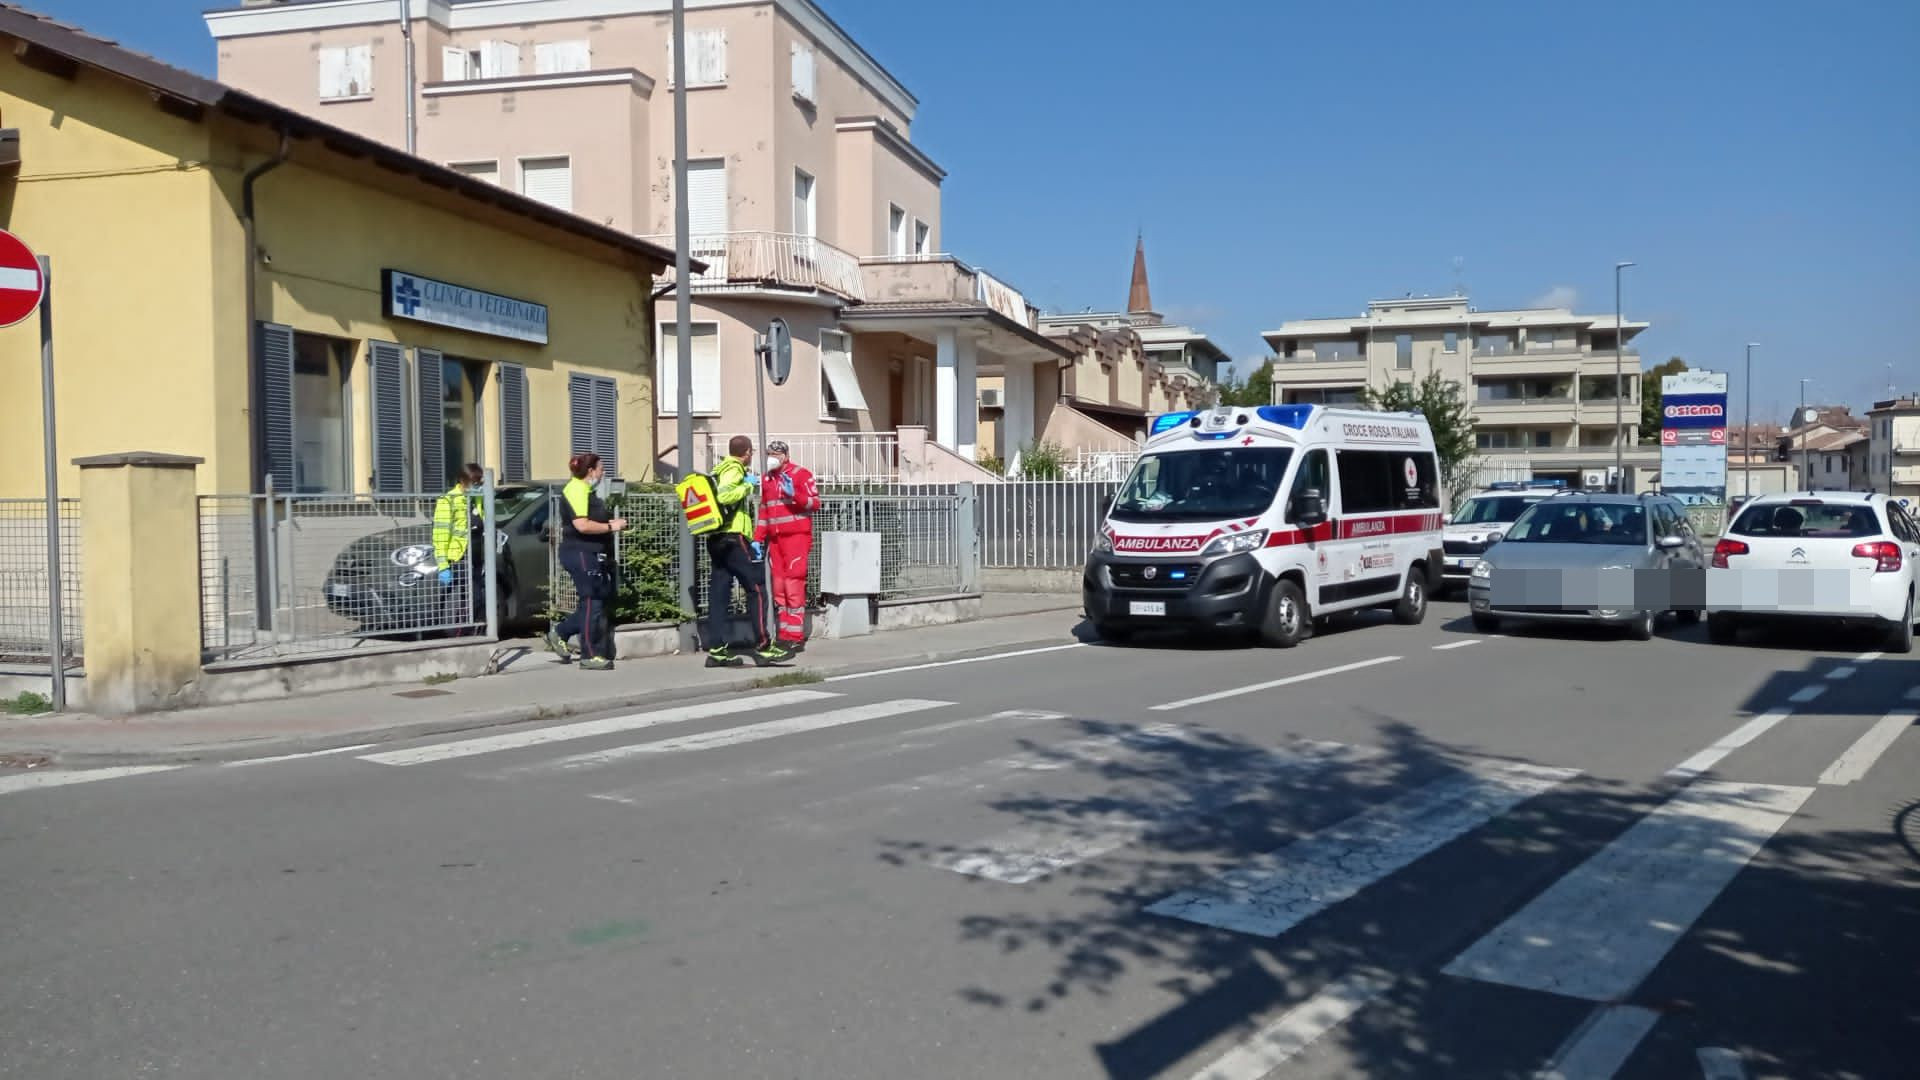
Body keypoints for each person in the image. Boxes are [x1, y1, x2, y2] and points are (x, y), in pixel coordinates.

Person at [705, 435, 790, 668]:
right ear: (747, 453)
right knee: (757, 589)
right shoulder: (734, 468)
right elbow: (724, 494)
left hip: (716, 538)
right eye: (751, 452)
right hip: (733, 539)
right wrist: (746, 485)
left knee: (720, 594)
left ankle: (717, 651)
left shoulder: (718, 468)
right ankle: (763, 647)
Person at [545, 452, 626, 671]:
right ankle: (589, 655)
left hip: (591, 552)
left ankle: (560, 633)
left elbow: (592, 520)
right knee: (592, 601)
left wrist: (611, 522)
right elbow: (582, 525)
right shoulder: (577, 489)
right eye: (601, 468)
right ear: (590, 471)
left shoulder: (587, 491)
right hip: (580, 553)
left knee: (595, 602)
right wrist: (612, 527)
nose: (604, 472)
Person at [755, 440, 821, 652]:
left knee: (793, 585)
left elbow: (815, 504)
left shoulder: (801, 474)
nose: (772, 457)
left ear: (785, 456)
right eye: (769, 453)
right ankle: (784, 633)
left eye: (775, 454)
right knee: (779, 588)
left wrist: (795, 495)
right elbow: (764, 510)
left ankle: (795, 635)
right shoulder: (767, 479)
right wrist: (758, 538)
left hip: (796, 537)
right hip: (775, 540)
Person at [432, 464, 485, 632]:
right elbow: (440, 534)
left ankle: (473, 630)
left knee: (476, 598)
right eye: (474, 482)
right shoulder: (448, 500)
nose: (477, 485)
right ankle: (461, 631)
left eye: (479, 481)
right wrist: (443, 565)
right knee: (467, 598)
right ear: (464, 481)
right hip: (459, 556)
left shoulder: (479, 498)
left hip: (477, 555)